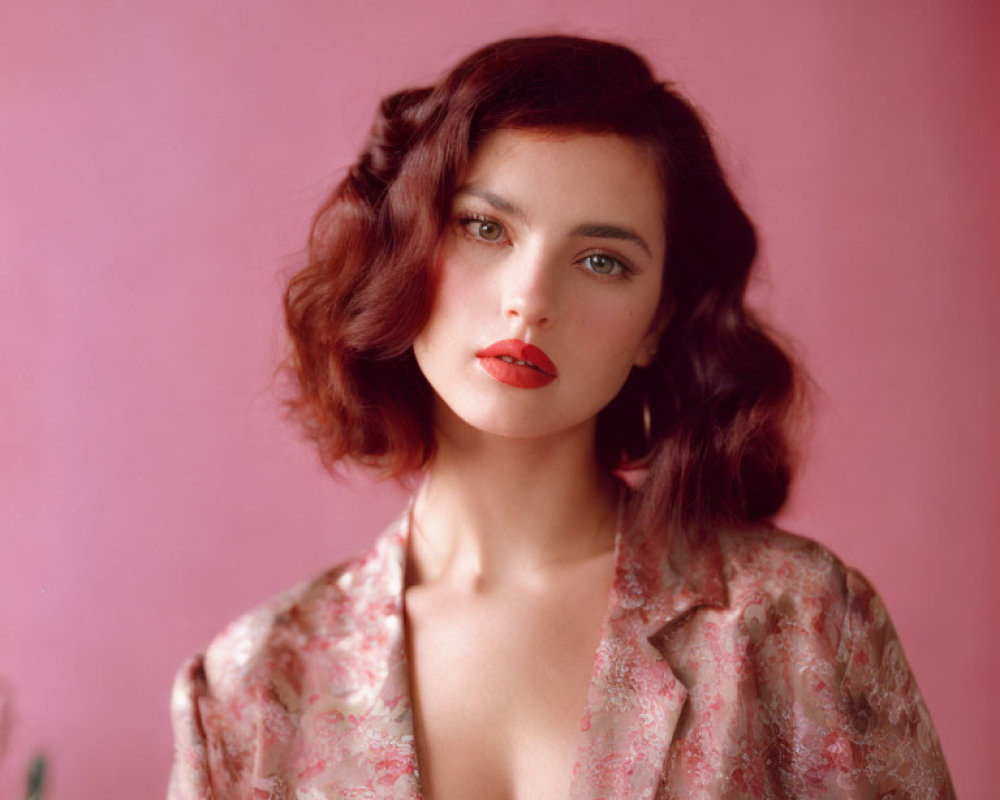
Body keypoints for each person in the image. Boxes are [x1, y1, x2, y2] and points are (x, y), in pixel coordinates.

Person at [167, 35, 955, 799]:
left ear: (656, 322)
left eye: (601, 260)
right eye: (485, 228)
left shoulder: (797, 625)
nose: (531, 298)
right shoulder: (253, 689)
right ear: (403, 251)